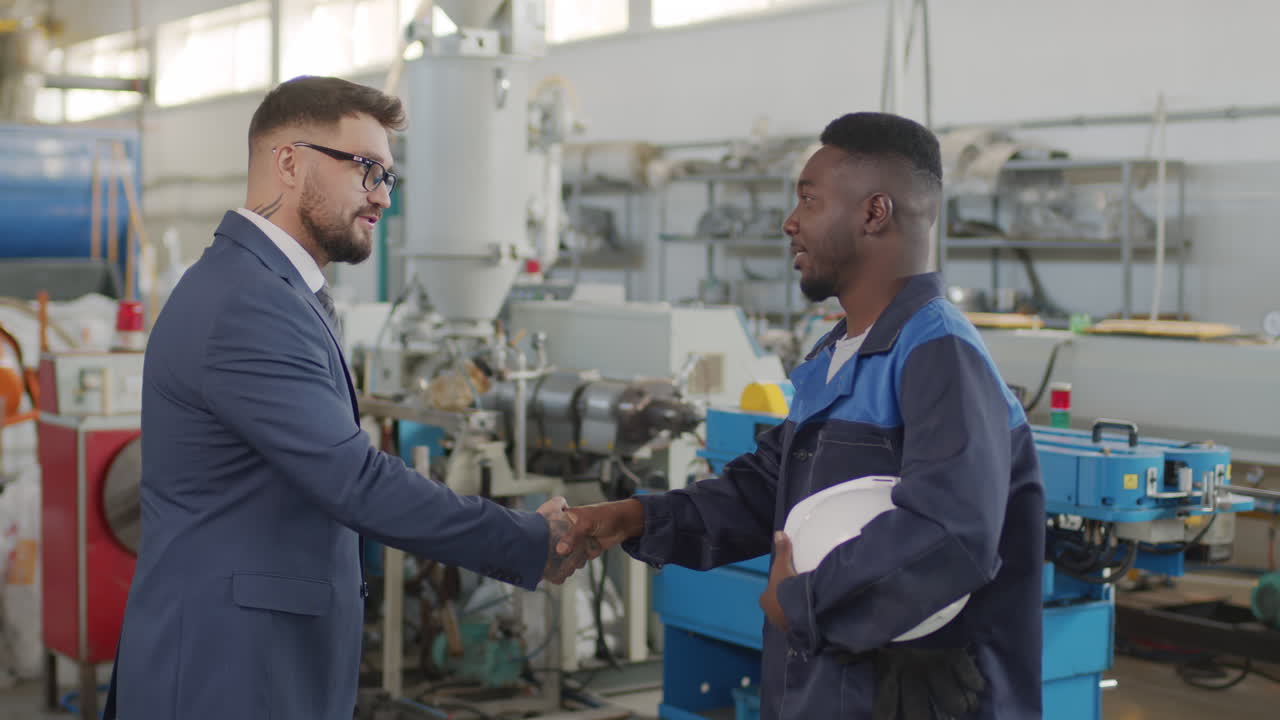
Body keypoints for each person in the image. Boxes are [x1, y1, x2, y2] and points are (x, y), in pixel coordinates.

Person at [104, 76, 584, 720]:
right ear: (289, 161)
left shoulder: (272, 289)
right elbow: (355, 480)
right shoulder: (249, 302)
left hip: (259, 654)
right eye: (365, 170)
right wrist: (525, 540)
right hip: (230, 667)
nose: (381, 196)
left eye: (388, 177)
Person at [557, 112, 1045, 719]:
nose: (790, 224)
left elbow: (951, 533)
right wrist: (633, 518)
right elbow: (769, 487)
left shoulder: (938, 353)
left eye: (809, 202)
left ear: (874, 213)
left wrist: (806, 602)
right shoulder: (843, 352)